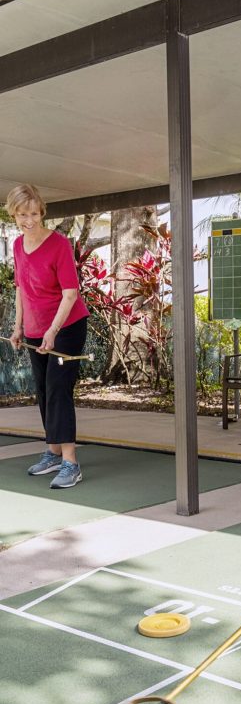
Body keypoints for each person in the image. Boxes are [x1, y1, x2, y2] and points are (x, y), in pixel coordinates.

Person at [7, 184, 90, 488]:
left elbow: (70, 294)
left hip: (66, 326)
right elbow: (21, 289)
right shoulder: (17, 245)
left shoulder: (58, 245)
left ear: (41, 211)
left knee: (57, 388)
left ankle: (71, 461)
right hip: (35, 329)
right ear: (13, 215)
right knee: (43, 389)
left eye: (32, 213)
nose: (27, 220)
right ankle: (53, 451)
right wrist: (18, 327)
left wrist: (53, 331)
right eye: (21, 214)